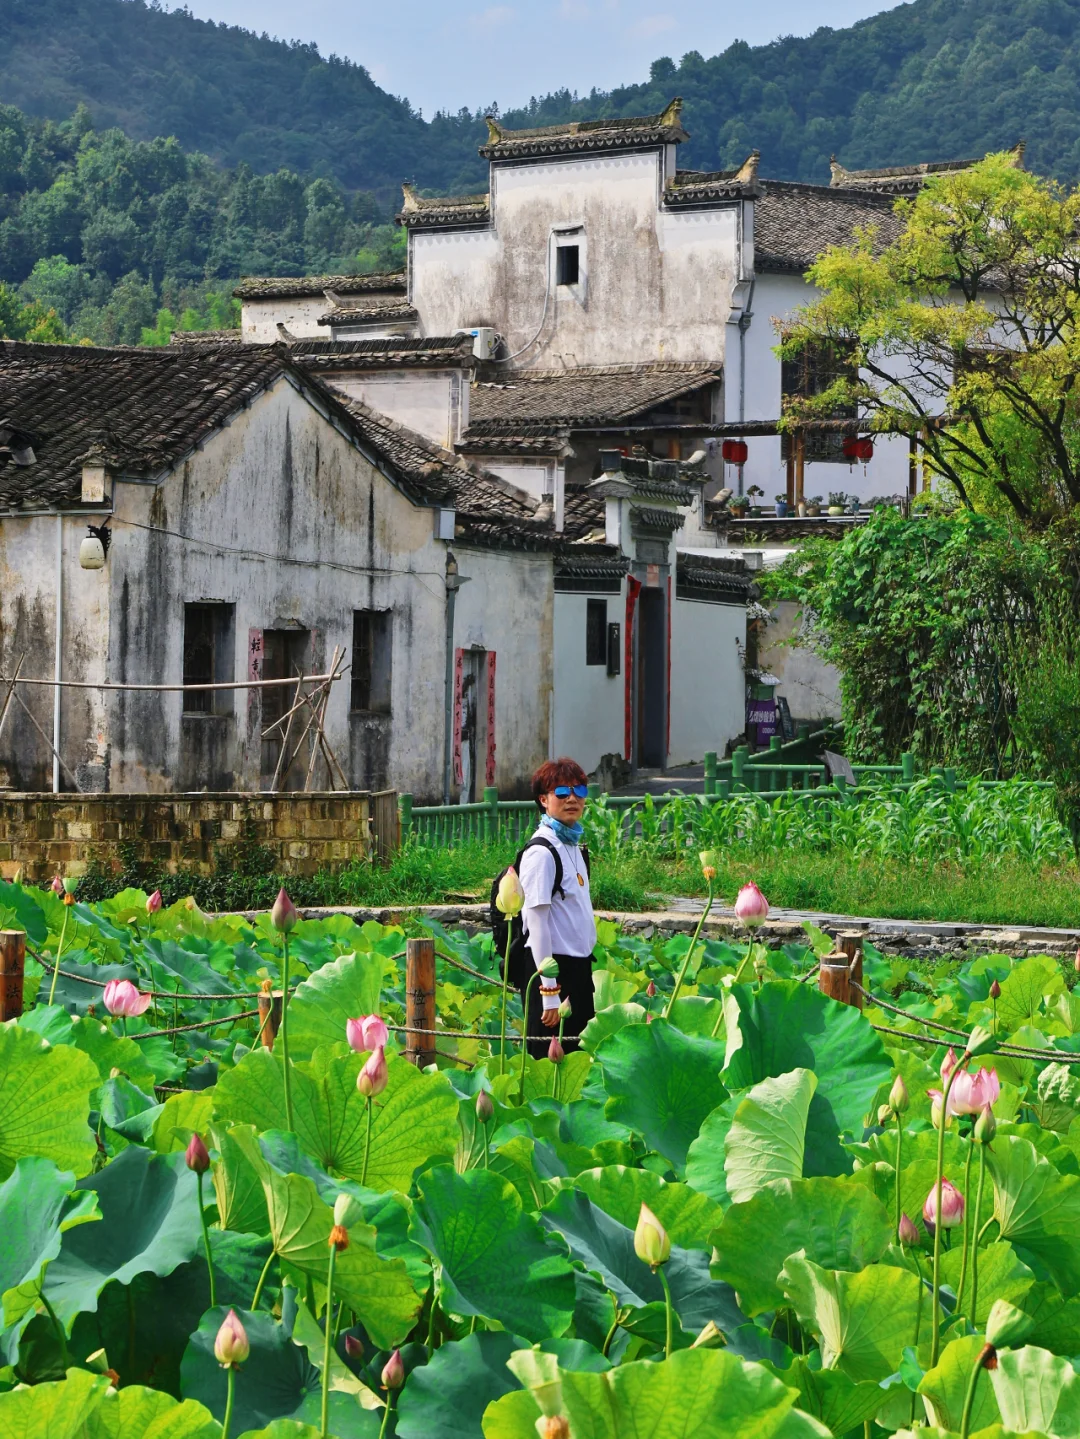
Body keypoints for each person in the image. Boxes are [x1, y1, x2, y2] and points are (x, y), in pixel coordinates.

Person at [516, 757, 597, 1058]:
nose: (572, 798)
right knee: (548, 1066)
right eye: (562, 792)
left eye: (579, 791)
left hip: (579, 971)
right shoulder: (541, 852)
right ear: (544, 799)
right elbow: (535, 924)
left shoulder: (572, 846)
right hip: (551, 973)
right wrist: (549, 991)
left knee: (577, 1063)